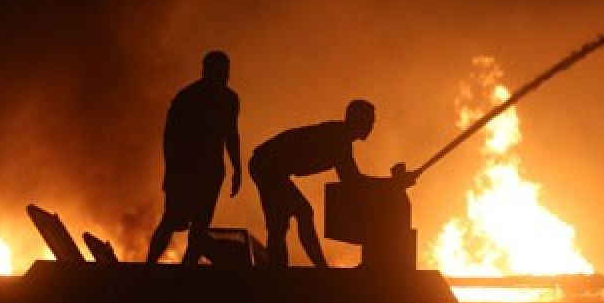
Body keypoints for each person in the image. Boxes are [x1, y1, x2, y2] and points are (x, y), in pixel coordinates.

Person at [249, 99, 416, 267]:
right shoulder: (339, 140)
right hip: (267, 165)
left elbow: (353, 181)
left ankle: (291, 268)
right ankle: (296, 270)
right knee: (295, 216)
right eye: (369, 121)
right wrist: (392, 184)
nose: (371, 126)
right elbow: (353, 181)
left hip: (270, 166)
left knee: (291, 218)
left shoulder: (340, 137)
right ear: (357, 121)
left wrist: (392, 184)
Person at [146, 50, 241, 265]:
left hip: (212, 171)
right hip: (185, 171)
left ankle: (187, 271)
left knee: (200, 225)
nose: (223, 76)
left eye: (225, 71)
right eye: (219, 71)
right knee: (172, 220)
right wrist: (171, 172)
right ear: (206, 71)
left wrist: (237, 168)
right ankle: (149, 265)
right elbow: (170, 138)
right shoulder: (188, 97)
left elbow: (231, 134)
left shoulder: (230, 99)